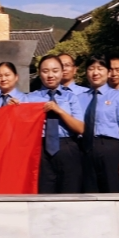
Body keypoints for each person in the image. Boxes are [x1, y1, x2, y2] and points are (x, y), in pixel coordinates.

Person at [24, 55, 85, 193]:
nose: (50, 75)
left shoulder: (70, 97)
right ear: (39, 73)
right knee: (44, 192)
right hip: (41, 149)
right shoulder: (30, 98)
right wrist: (13, 108)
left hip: (67, 147)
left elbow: (80, 128)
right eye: (45, 71)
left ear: (62, 72)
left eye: (55, 70)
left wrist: (59, 111)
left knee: (70, 191)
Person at [77, 55, 119, 193]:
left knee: (113, 192)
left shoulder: (118, 96)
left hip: (110, 149)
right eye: (91, 68)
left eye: (100, 68)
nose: (95, 72)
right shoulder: (79, 98)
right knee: (88, 194)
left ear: (108, 72)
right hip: (85, 149)